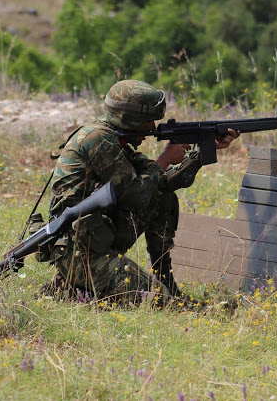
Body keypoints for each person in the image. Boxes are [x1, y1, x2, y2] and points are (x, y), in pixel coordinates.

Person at [41, 79, 239, 304]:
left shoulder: (115, 139)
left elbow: (160, 184)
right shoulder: (98, 140)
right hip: (79, 252)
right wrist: (165, 158)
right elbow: (134, 196)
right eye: (148, 120)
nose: (153, 127)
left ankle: (165, 283)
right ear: (130, 119)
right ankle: (78, 282)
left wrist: (203, 153)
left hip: (92, 242)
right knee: (157, 301)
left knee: (164, 199)